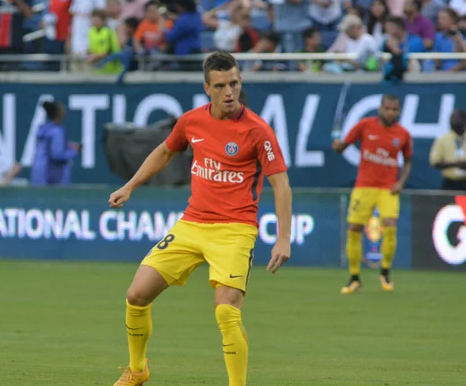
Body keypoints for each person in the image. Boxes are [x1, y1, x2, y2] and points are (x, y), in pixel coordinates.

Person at [109, 51, 292, 386]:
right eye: (221, 85)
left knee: (226, 310)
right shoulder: (191, 121)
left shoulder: (258, 131)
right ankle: (137, 370)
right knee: (136, 295)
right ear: (207, 88)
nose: (229, 92)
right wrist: (131, 185)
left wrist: (283, 237)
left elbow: (280, 183)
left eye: (234, 83)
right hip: (192, 224)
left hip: (235, 231)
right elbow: (165, 150)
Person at [332, 95, 412, 294]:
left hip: (388, 188)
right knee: (354, 227)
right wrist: (338, 146)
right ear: (380, 108)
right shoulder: (365, 125)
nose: (390, 112)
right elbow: (343, 147)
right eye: (387, 108)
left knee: (390, 225)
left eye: (394, 109)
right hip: (364, 185)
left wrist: (400, 183)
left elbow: (408, 161)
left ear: (399, 111)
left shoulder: (402, 134)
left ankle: (385, 272)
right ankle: (354, 277)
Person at [30, 100, 81, 186]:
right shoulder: (57, 131)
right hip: (50, 178)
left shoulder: (43, 129)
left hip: (37, 176)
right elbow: (56, 155)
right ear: (58, 113)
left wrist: (67, 145)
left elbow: (48, 148)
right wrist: (75, 151)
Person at [429, 109, 466, 190]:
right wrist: (456, 164)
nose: (453, 121)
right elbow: (435, 162)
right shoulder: (443, 139)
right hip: (450, 183)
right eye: (452, 119)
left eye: (457, 119)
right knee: (450, 202)